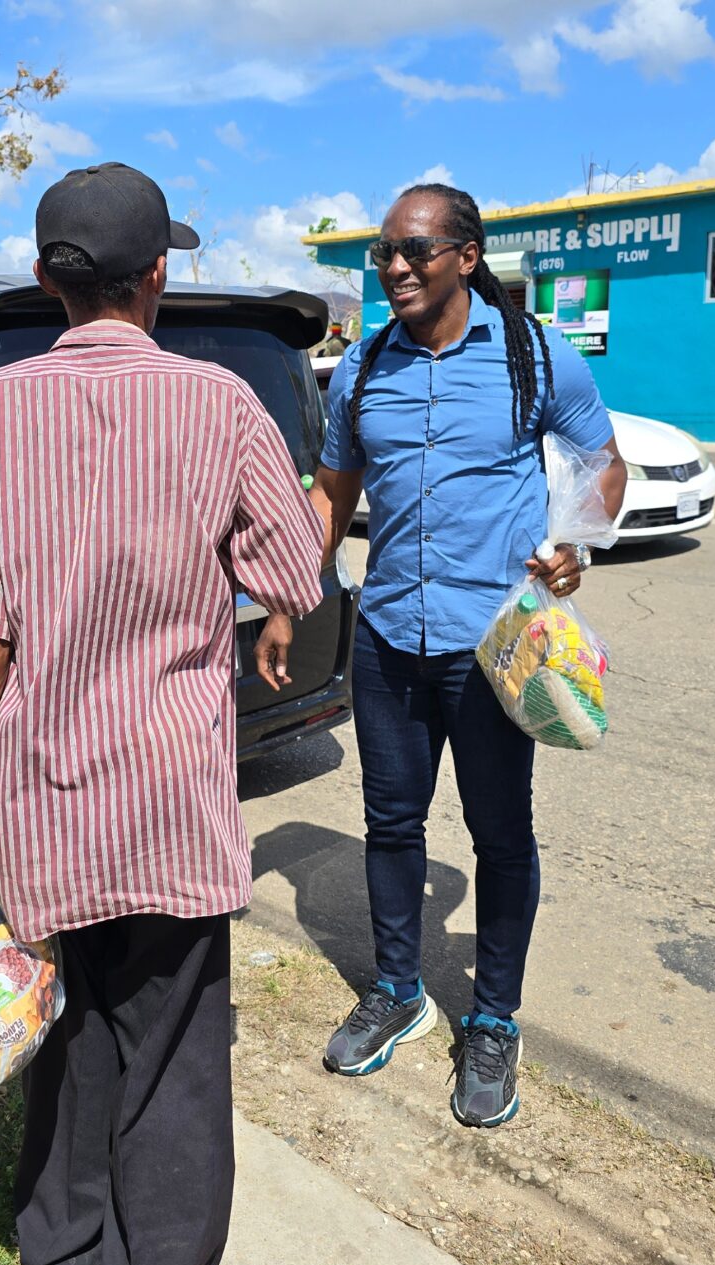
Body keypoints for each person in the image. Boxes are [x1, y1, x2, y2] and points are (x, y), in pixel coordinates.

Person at [0, 162, 324, 1265]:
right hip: (176, 803)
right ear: (158, 276)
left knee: (69, 1035)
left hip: (44, 800)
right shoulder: (223, 405)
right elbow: (293, 568)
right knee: (176, 1053)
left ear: (47, 278)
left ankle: (62, 1251)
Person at [255, 182, 626, 1129]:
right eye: (385, 251)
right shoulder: (363, 367)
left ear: (467, 255)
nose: (395, 267)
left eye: (415, 250)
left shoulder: (537, 355)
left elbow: (603, 460)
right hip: (386, 638)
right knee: (390, 824)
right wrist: (291, 599)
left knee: (501, 837)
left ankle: (493, 1019)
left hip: (494, 650)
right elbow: (333, 493)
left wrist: (575, 540)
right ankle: (397, 991)